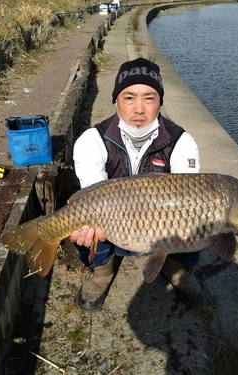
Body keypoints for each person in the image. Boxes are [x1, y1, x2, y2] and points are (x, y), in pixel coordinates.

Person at [70, 58, 202, 312]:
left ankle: (175, 267)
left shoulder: (182, 142)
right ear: (116, 100)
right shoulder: (92, 140)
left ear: (160, 101)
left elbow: (188, 199)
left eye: (149, 98)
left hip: (163, 225)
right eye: (129, 98)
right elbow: (95, 199)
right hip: (112, 222)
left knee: (196, 219)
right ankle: (101, 270)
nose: (139, 109)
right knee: (82, 219)